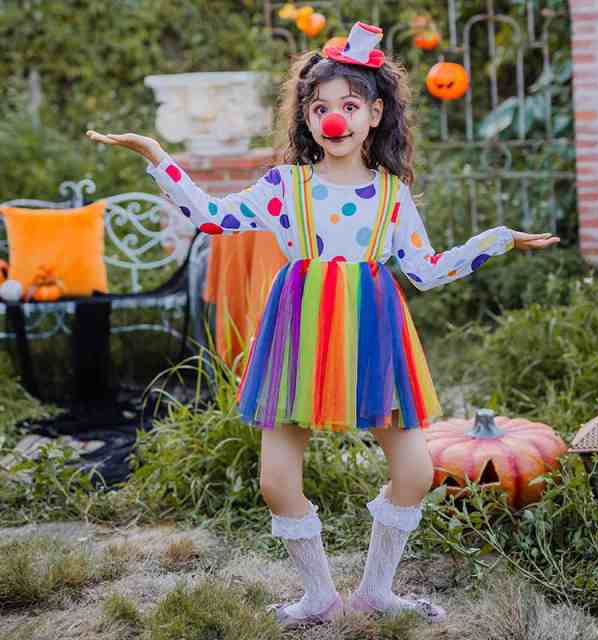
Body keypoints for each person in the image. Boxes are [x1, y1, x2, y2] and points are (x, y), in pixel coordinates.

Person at [86, 20, 560, 629]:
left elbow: (427, 269)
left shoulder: (393, 194)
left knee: (414, 471)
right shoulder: (287, 186)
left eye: (347, 105)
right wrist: (157, 156)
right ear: (306, 119)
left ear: (374, 113)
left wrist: (494, 241)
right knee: (276, 481)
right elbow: (212, 219)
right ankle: (318, 596)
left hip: (373, 333)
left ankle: (375, 591)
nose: (332, 119)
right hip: (299, 332)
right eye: (319, 108)